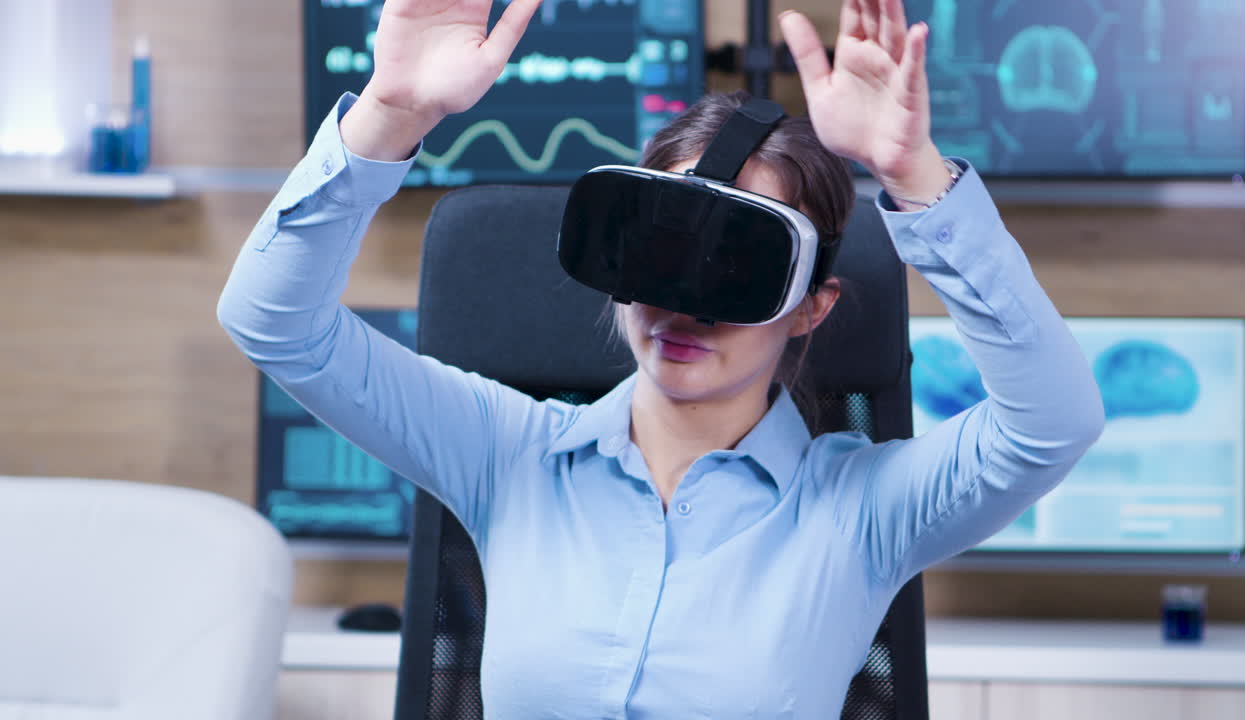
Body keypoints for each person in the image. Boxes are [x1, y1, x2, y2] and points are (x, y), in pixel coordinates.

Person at [217, 0, 1105, 716]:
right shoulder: (509, 455)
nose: (682, 307)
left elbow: (1053, 424)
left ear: (810, 309)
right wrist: (389, 114)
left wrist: (916, 178)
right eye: (659, 253)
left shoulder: (863, 512)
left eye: (734, 267)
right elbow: (274, 322)